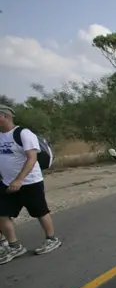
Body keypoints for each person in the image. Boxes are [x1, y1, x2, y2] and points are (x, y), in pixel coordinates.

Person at [0, 105, 62, 264]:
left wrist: (19, 180)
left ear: (4, 116)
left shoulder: (23, 134)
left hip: (29, 182)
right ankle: (14, 246)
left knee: (40, 211)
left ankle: (51, 239)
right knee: (2, 214)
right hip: (7, 183)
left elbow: (31, 159)